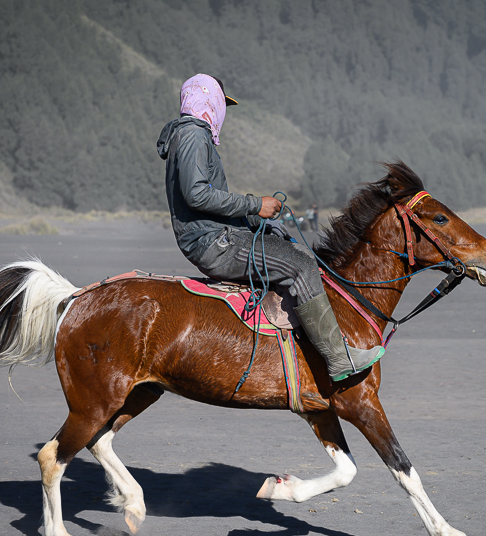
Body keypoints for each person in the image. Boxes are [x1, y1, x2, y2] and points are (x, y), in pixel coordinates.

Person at [156, 74, 384, 381]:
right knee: (302, 264)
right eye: (222, 103)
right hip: (215, 242)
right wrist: (254, 205)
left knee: (290, 252)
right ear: (207, 99)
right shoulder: (194, 135)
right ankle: (339, 358)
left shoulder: (190, 136)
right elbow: (197, 195)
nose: (224, 111)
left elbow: (208, 201)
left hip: (217, 235)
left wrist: (257, 220)